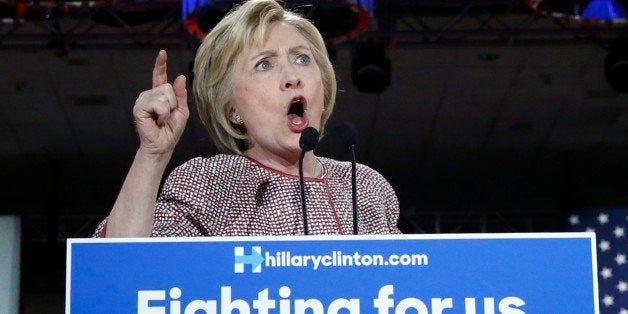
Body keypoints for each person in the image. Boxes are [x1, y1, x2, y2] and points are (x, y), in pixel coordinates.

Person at [93, 0, 400, 237]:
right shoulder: (210, 182)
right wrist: (153, 155)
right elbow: (119, 273)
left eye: (302, 58)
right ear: (232, 110)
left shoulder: (365, 186)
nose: (292, 76)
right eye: (264, 65)